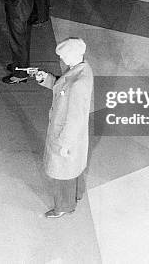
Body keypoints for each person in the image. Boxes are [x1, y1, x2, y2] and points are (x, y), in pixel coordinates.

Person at [34, 37, 93, 218]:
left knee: (62, 173)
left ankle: (63, 207)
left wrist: (65, 144)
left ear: (75, 54)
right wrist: (47, 79)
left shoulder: (78, 83)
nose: (63, 60)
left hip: (66, 134)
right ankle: (77, 193)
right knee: (73, 167)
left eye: (65, 56)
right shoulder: (80, 70)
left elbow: (74, 117)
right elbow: (63, 88)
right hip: (74, 135)